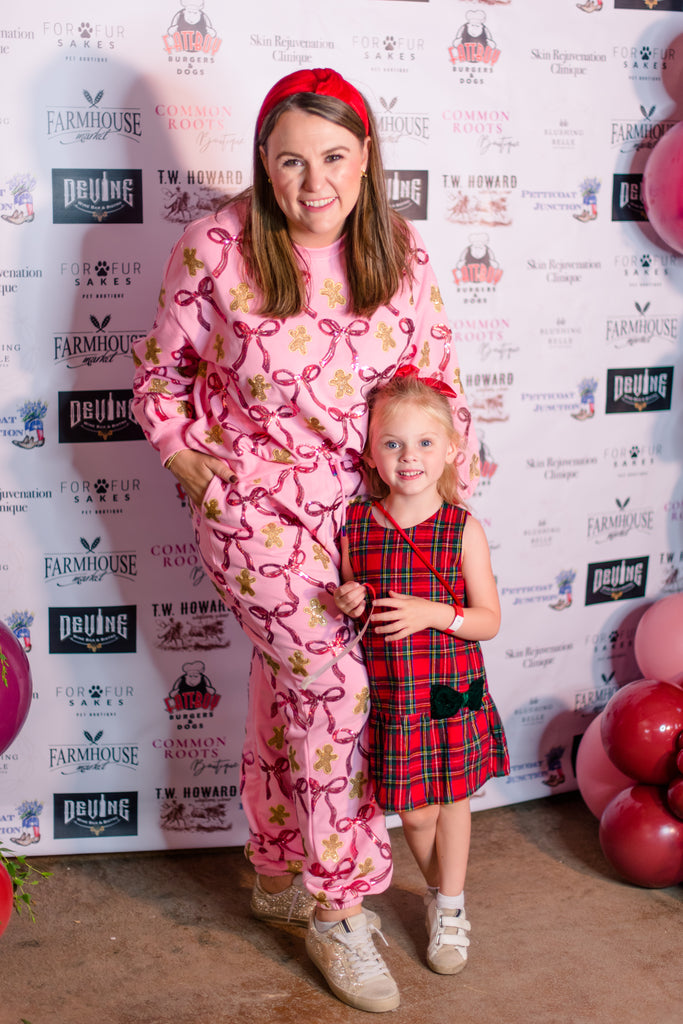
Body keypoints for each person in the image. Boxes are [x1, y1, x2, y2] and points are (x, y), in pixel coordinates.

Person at [132, 67, 479, 1012]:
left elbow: (437, 384)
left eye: (333, 157)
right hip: (255, 513)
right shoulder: (214, 247)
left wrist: (449, 503)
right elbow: (158, 380)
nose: (313, 181)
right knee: (335, 686)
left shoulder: (397, 251)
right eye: (290, 160)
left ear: (365, 161)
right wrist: (193, 466)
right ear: (263, 163)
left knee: (288, 690)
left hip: (365, 514)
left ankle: (278, 865)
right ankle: (339, 909)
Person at [334, 367, 509, 976]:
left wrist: (435, 613)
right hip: (394, 694)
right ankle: (440, 889)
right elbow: (356, 595)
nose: (410, 457)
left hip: (448, 687)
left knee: (453, 800)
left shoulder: (462, 529)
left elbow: (486, 620)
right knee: (414, 812)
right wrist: (350, 598)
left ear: (451, 450)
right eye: (394, 443)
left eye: (425, 443)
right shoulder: (357, 524)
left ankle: (451, 906)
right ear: (373, 452)